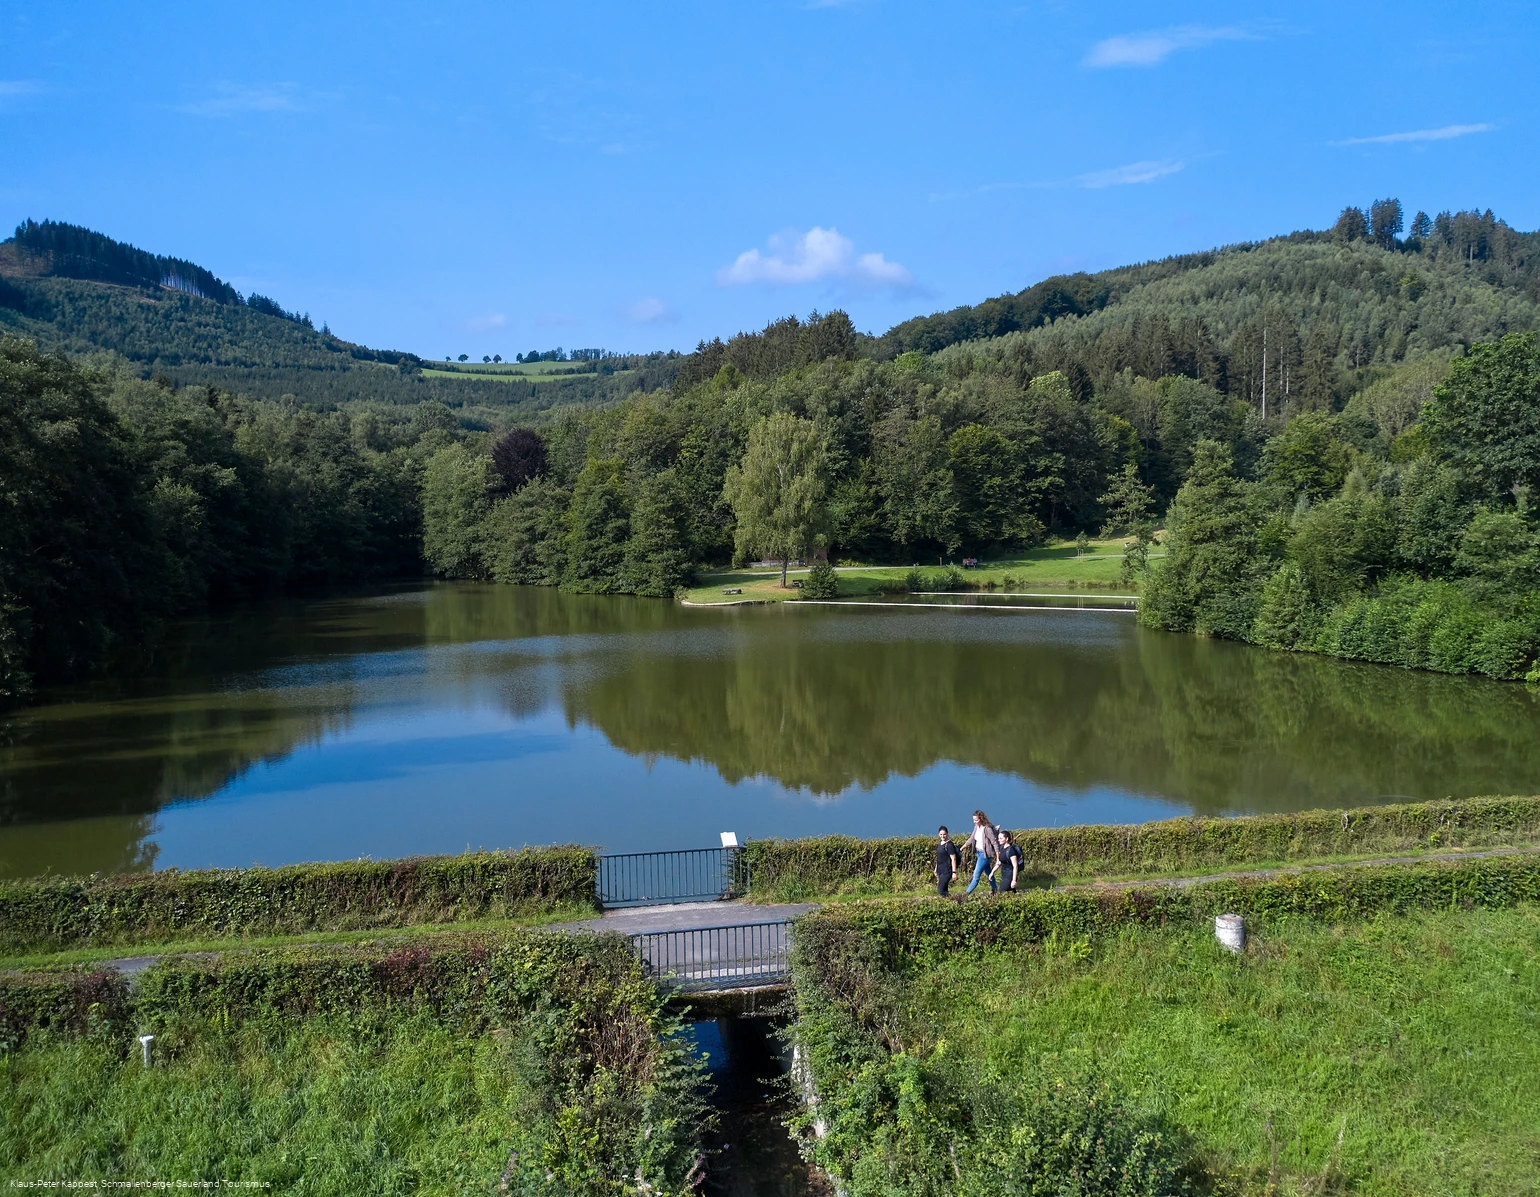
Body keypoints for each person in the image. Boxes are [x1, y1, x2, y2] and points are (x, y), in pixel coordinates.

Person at [963, 809, 1001, 895]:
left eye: (976, 820)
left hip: (985, 855)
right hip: (979, 853)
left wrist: (998, 857)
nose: (974, 822)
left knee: (976, 876)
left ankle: (966, 893)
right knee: (989, 873)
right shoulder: (976, 827)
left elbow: (994, 842)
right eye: (973, 820)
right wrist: (963, 847)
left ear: (981, 818)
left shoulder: (987, 829)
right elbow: (972, 838)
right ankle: (995, 890)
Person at [933, 825, 962, 896]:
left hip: (947, 870)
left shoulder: (949, 845)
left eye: (944, 834)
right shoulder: (940, 844)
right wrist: (936, 869)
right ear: (938, 834)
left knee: (941, 890)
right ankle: (949, 903)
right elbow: (939, 858)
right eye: (941, 834)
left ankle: (955, 900)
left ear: (947, 834)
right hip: (940, 870)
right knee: (945, 890)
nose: (942, 836)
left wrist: (954, 872)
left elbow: (953, 859)